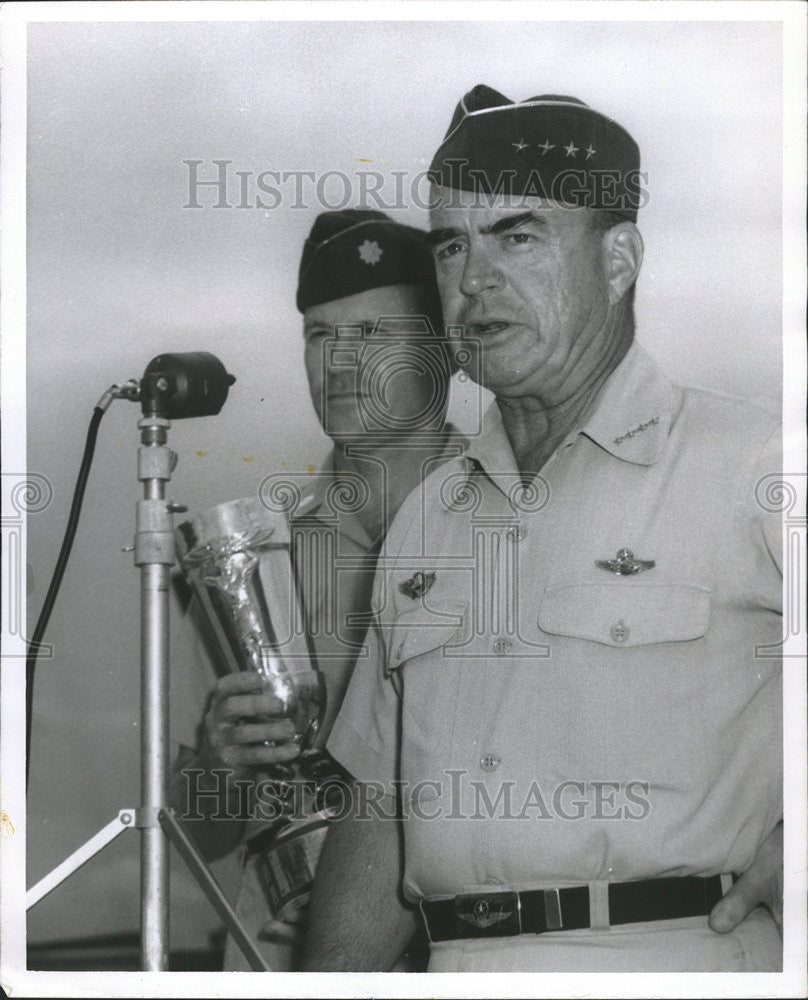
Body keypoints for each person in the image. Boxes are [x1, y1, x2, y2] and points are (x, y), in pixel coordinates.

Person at [303, 87, 784, 972]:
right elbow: (379, 814)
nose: (474, 277)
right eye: (452, 244)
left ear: (620, 258)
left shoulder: (754, 464)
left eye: (518, 235)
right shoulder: (429, 517)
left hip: (669, 954)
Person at [168, 209, 463, 970]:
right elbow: (197, 831)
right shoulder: (248, 560)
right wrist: (218, 770)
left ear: (445, 350)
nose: (338, 363)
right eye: (319, 335)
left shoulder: (527, 520)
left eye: (371, 334)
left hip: (475, 945)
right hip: (288, 955)